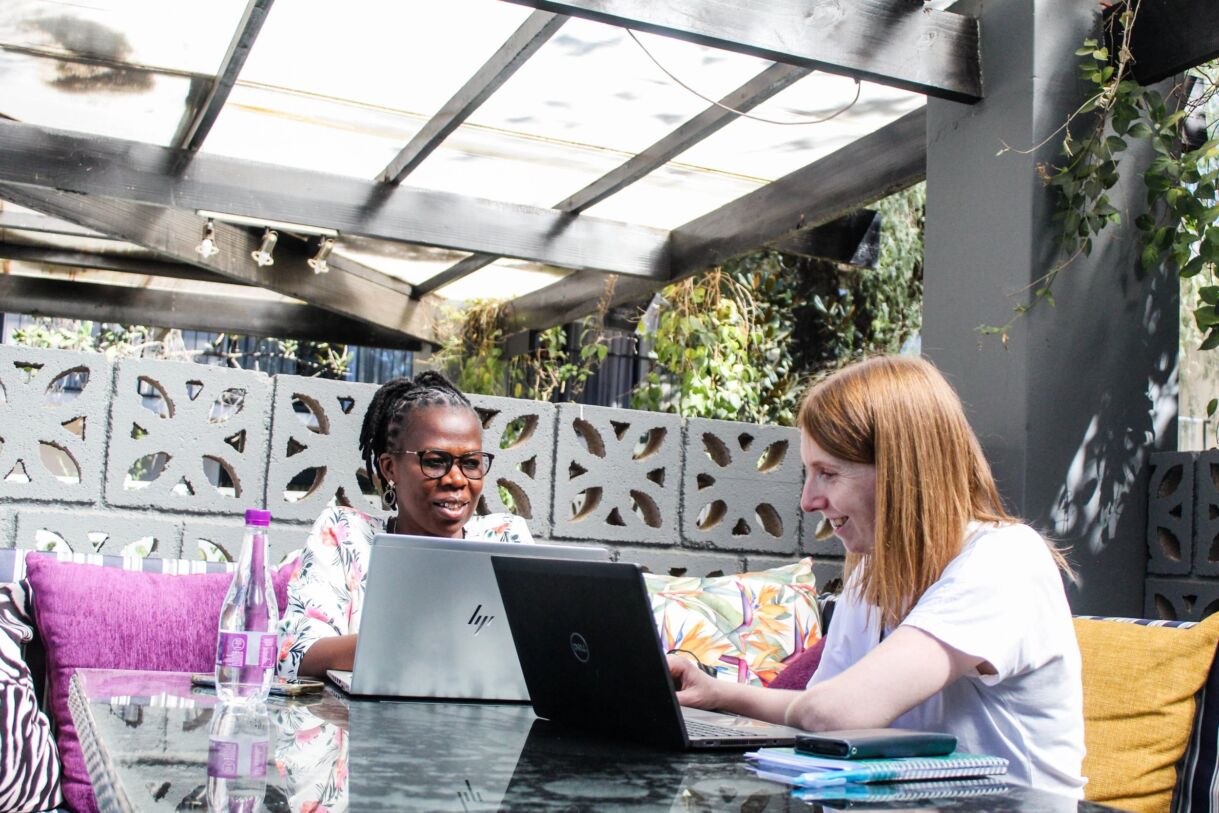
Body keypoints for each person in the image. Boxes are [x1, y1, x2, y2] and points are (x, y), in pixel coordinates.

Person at [668, 356, 1085, 796]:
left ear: (901, 473)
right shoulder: (874, 571)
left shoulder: (1006, 559)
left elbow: (833, 714)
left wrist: (808, 710)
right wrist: (716, 693)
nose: (808, 500)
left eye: (828, 474)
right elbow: (817, 707)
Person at [278, 371, 531, 680]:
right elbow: (295, 656)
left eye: (471, 463)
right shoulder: (346, 536)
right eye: (434, 461)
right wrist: (423, 643)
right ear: (390, 468)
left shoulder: (505, 539)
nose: (456, 479)